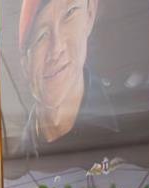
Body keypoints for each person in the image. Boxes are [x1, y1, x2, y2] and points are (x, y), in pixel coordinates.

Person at [16, 0, 117, 158]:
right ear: (25, 64)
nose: (56, 49)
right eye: (40, 36)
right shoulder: (13, 163)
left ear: (90, 14)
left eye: (69, 14)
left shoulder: (129, 130)